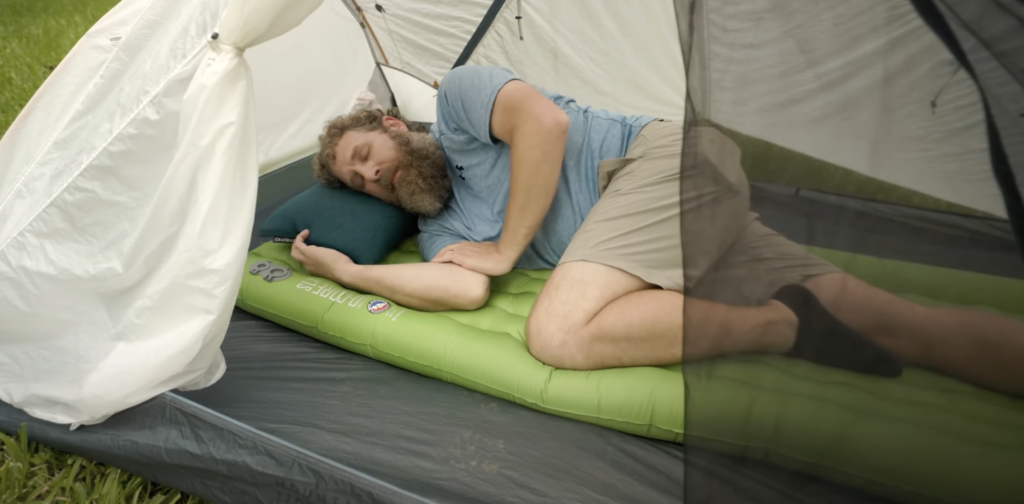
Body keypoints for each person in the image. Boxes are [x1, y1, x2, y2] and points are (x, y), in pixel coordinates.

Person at [291, 65, 1024, 396]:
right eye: (356, 183)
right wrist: (346, 272)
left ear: (391, 125)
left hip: (664, 168)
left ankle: (781, 326)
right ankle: (816, 322)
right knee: (903, 325)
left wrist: (510, 247)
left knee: (558, 334)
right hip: (665, 240)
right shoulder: (441, 225)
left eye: (366, 158)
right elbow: (460, 292)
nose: (372, 179)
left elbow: (542, 122)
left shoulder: (459, 100)